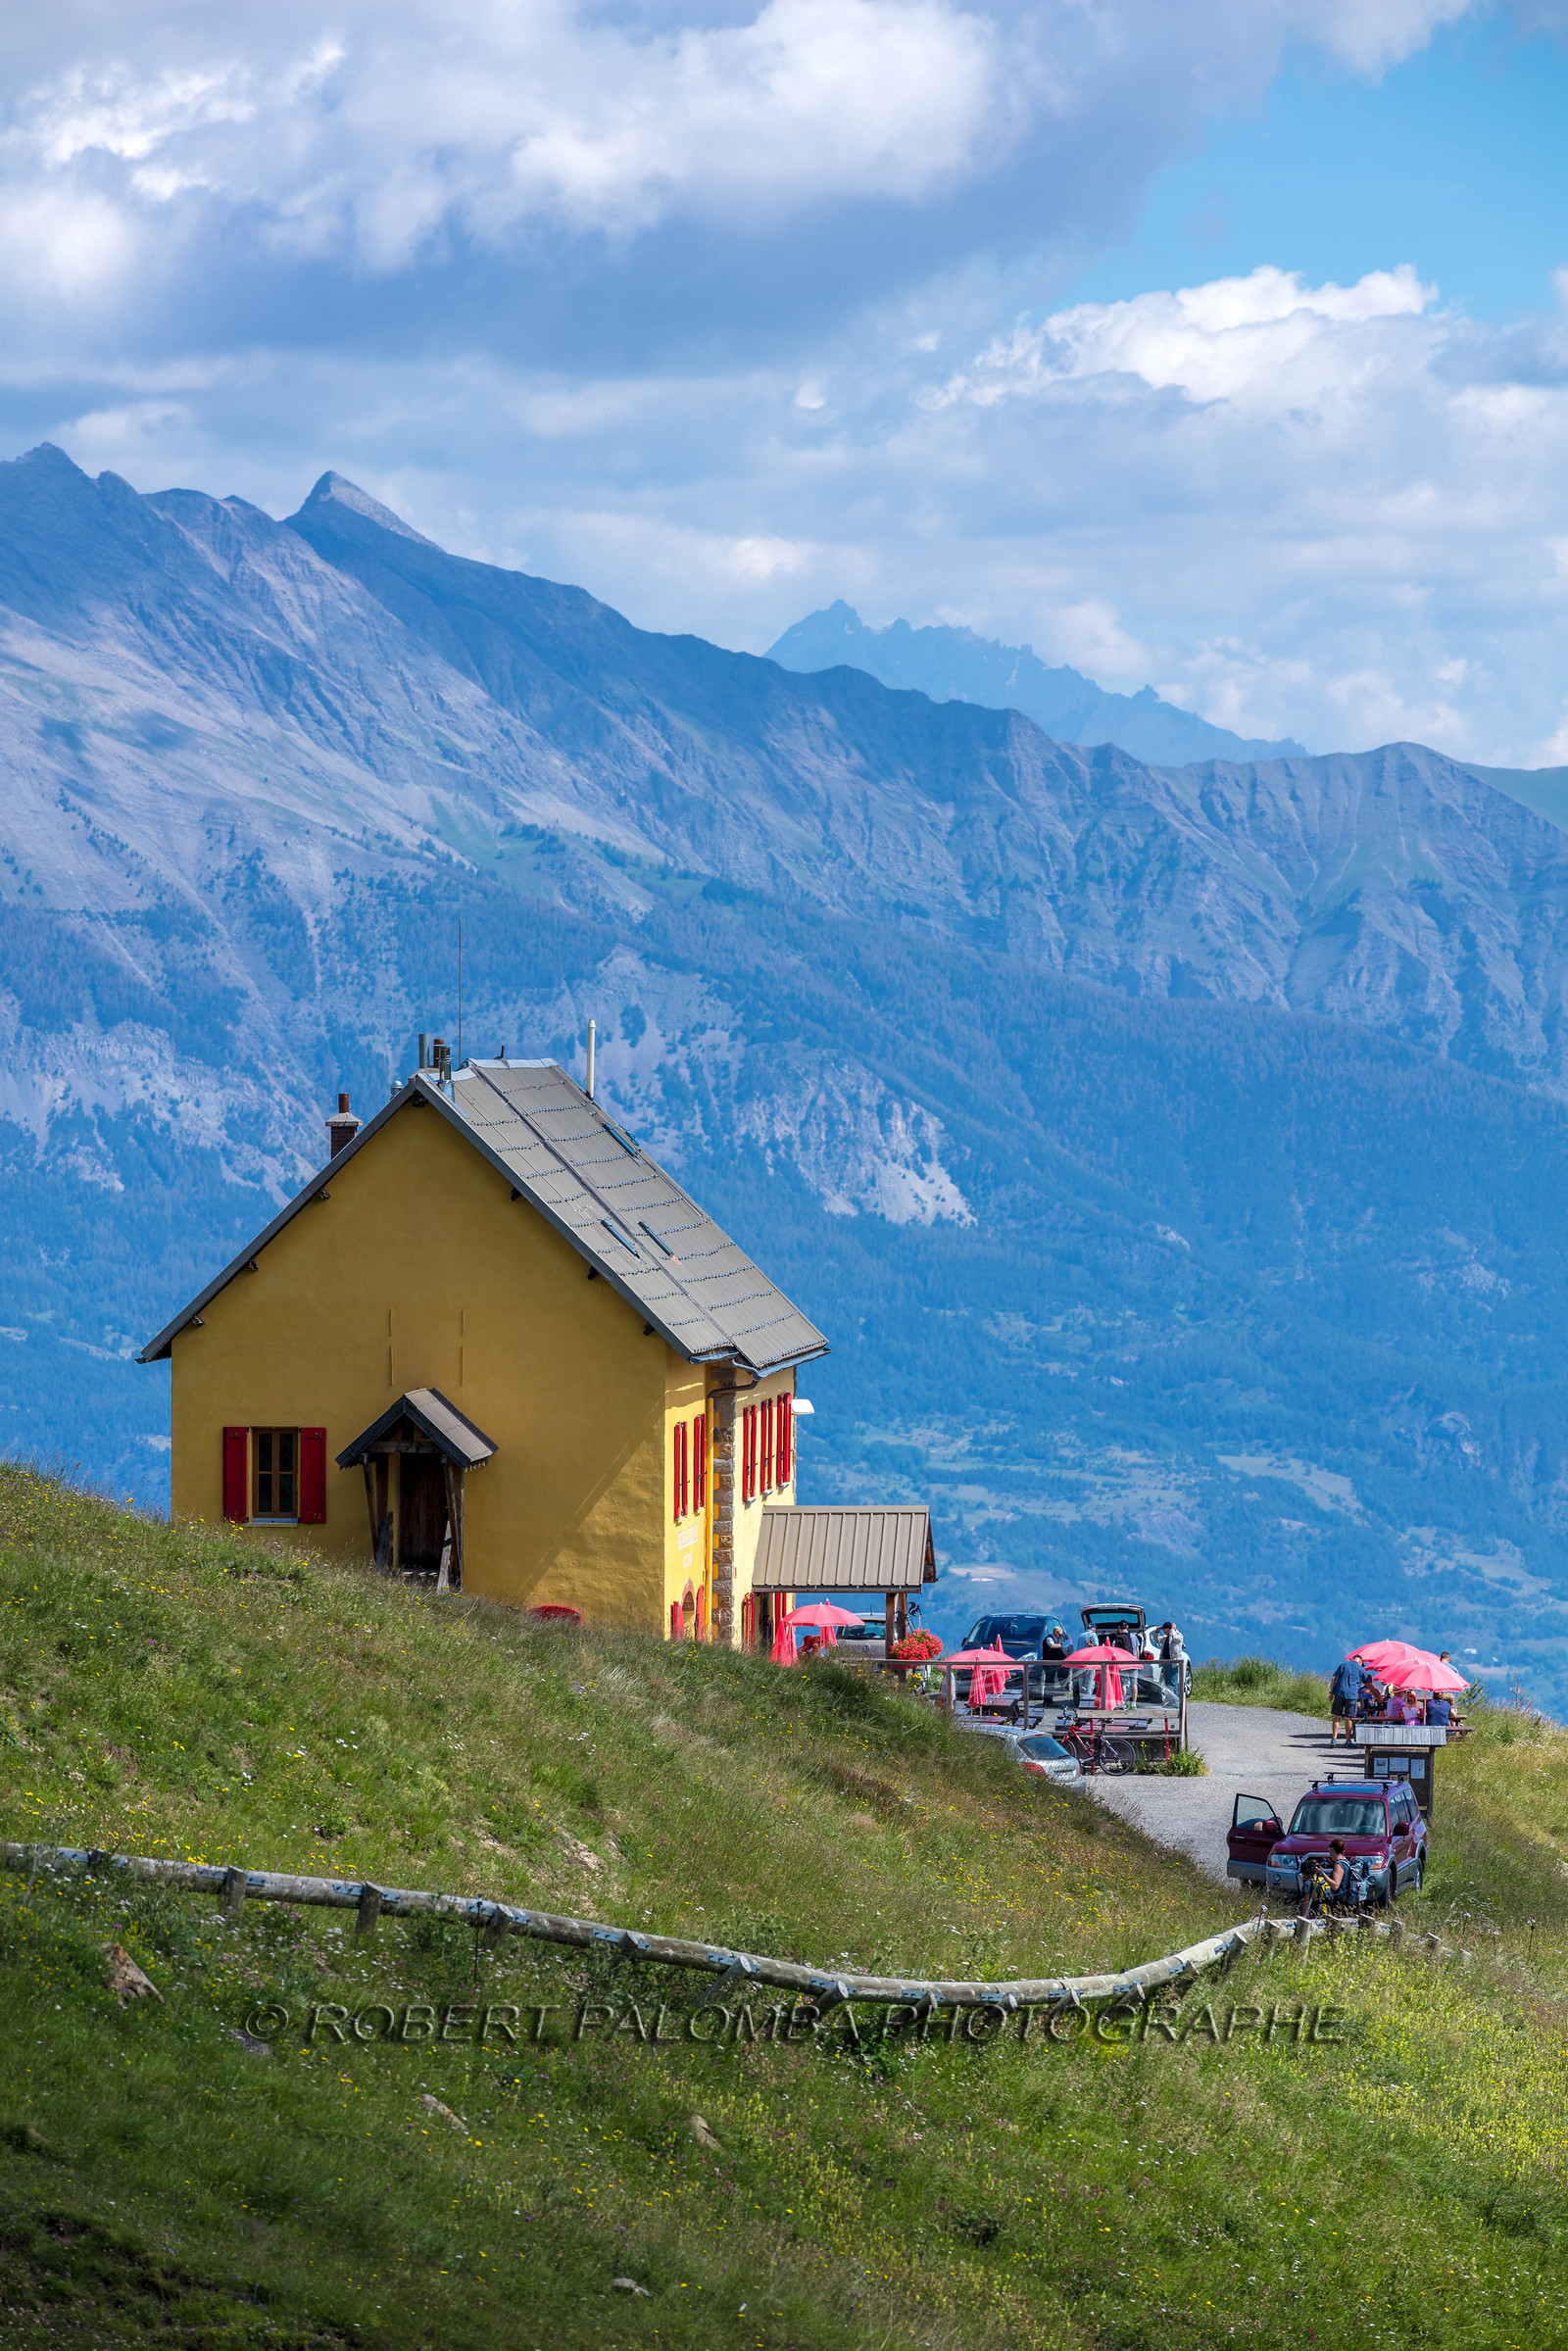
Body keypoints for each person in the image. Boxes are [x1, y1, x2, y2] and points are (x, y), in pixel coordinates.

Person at [1328, 1654, 1367, 1744]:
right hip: (1351, 1695)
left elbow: (1334, 1677)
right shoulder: (1361, 1669)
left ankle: (1334, 1739)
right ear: (1360, 1662)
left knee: (1337, 1716)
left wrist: (1331, 1692)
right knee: (1348, 1718)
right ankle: (1348, 1741)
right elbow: (1367, 1683)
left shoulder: (1343, 1665)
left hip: (1339, 1693)